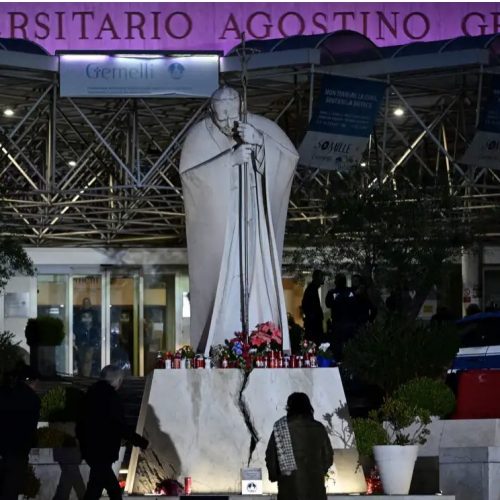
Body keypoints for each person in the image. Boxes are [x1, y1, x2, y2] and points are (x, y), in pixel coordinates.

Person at [180, 86, 299, 354]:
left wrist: (260, 143)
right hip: (224, 228)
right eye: (220, 117)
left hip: (254, 224)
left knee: (257, 279)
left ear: (242, 107)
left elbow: (289, 159)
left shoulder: (262, 127)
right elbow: (191, 178)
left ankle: (262, 338)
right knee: (224, 285)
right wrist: (230, 161)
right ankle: (221, 343)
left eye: (232, 116)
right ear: (211, 112)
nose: (227, 123)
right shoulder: (198, 137)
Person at [76, 365, 148, 500]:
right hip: (104, 450)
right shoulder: (111, 397)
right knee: (108, 489)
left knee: (97, 487)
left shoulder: (89, 395)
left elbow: (80, 424)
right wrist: (140, 441)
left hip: (90, 449)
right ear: (117, 380)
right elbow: (119, 425)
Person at [265, 392, 333, 500]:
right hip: (316, 489)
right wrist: (318, 471)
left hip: (289, 489)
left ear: (289, 407)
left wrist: (276, 476)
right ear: (308, 407)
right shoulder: (319, 428)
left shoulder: (280, 427)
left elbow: (271, 458)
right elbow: (328, 458)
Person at [0, 364, 40, 500]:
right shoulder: (33, 400)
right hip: (18, 451)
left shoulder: (5, 394)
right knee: (11, 489)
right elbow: (30, 428)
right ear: (32, 382)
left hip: (4, 448)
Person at [325, 273, 356, 360]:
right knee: (338, 346)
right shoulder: (333, 292)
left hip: (346, 323)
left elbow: (355, 303)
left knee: (345, 345)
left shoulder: (350, 292)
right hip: (339, 323)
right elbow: (328, 304)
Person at [74, 309, 101, 377]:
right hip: (81, 348)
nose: (87, 319)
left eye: (89, 316)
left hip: (94, 349)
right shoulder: (78, 328)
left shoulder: (96, 328)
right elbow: (77, 339)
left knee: (88, 360)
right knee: (83, 362)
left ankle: (86, 376)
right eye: (84, 317)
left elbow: (97, 338)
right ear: (81, 318)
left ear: (92, 318)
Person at [301, 270, 325, 344]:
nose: (323, 279)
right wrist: (313, 316)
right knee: (314, 342)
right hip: (314, 324)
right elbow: (307, 305)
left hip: (313, 322)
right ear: (317, 278)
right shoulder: (312, 289)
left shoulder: (312, 289)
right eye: (322, 277)